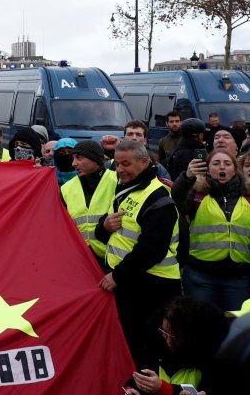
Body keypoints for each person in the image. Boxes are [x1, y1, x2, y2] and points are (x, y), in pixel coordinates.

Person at [95, 140, 182, 369]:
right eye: (117, 164)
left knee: (145, 350)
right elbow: (113, 232)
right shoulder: (126, 187)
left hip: (153, 286)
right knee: (127, 346)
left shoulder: (158, 198)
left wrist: (117, 276)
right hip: (131, 283)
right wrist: (103, 226)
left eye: (126, 164)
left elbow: (152, 249)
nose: (120, 169)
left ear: (144, 162)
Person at [169, 149, 250, 311]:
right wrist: (187, 177)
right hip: (199, 276)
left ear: (234, 169)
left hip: (238, 278)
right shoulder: (197, 195)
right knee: (203, 325)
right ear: (208, 169)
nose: (222, 167)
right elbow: (176, 200)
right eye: (216, 163)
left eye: (227, 163)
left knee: (235, 327)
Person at [125, 297, 229, 395]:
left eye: (174, 337)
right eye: (164, 333)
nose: (168, 341)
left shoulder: (213, 359)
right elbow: (137, 379)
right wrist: (132, 390)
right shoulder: (154, 347)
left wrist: (164, 389)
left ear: (190, 337)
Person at [60, 140, 117, 266]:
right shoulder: (66, 188)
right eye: (73, 158)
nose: (74, 163)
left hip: (112, 259)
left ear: (95, 159)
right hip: (79, 260)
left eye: (79, 158)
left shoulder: (117, 180)